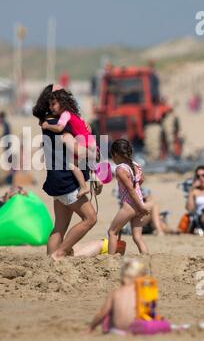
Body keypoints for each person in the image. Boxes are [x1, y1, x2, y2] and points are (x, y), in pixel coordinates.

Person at [33, 84, 97, 260]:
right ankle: (60, 253)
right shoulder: (60, 124)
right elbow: (77, 151)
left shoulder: (48, 123)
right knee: (90, 218)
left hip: (55, 178)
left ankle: (49, 262)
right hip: (67, 180)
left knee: (59, 227)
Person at [41, 85, 97, 198]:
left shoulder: (64, 115)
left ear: (62, 103)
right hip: (90, 139)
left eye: (53, 104)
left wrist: (47, 126)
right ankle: (97, 179)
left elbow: (59, 128)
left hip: (83, 142)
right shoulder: (74, 114)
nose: (51, 107)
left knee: (72, 165)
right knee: (89, 161)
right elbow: (87, 127)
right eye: (49, 105)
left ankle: (83, 186)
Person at [108, 139, 149, 255]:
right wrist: (141, 205)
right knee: (137, 237)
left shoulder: (120, 169)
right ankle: (147, 259)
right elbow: (141, 180)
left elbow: (130, 189)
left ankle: (110, 261)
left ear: (115, 154)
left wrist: (140, 205)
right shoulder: (136, 165)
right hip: (139, 203)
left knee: (112, 232)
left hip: (130, 206)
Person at [85, 258, 146, 334]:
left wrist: (91, 327)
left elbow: (102, 313)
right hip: (137, 330)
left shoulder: (116, 293)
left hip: (118, 331)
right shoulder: (144, 293)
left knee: (108, 318)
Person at [186, 165, 204, 232]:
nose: (201, 178)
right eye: (198, 176)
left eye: (203, 175)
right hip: (201, 216)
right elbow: (190, 209)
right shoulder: (194, 192)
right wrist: (191, 190)